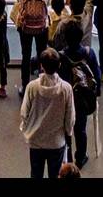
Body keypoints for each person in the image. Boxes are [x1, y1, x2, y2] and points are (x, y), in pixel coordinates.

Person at [20, 47, 75, 179]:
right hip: (57, 142)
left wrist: (26, 129)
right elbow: (70, 117)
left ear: (41, 66)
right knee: (56, 174)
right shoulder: (66, 88)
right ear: (59, 65)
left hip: (36, 140)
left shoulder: (32, 87)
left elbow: (24, 113)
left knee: (36, 173)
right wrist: (68, 133)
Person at [57, 20, 100, 168]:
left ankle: (68, 159)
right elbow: (97, 76)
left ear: (65, 37)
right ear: (81, 36)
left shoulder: (61, 56)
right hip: (83, 98)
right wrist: (95, 95)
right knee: (80, 129)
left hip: (66, 99)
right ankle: (81, 157)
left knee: (66, 130)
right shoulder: (89, 53)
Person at [14, 0, 52, 94]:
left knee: (26, 55)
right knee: (42, 55)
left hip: (25, 27)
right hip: (42, 27)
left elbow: (19, 1)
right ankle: (42, 86)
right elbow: (47, 4)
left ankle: (25, 87)